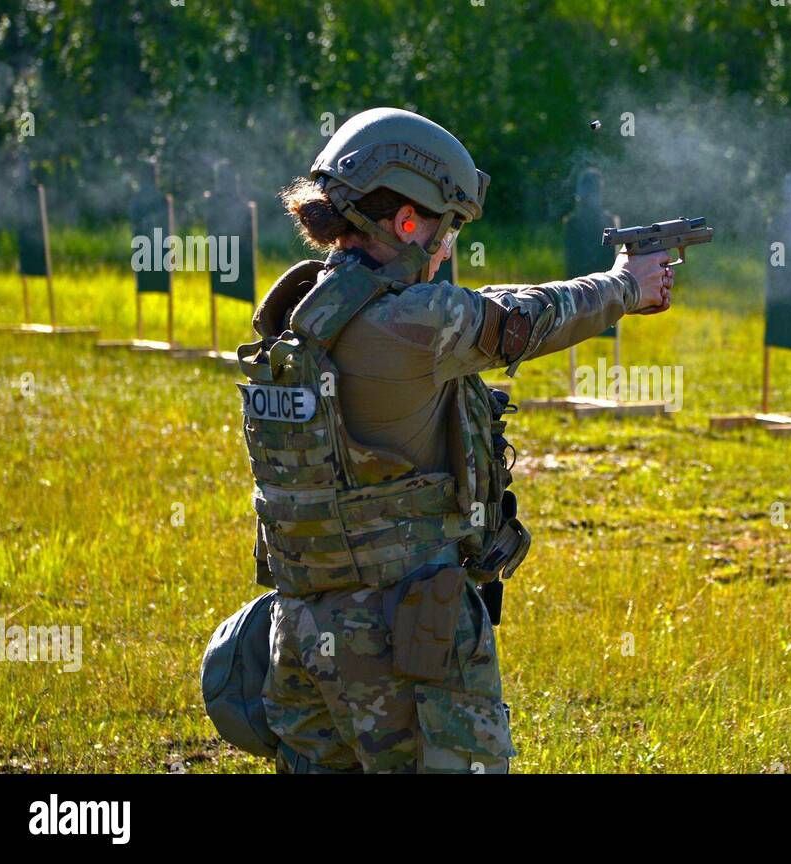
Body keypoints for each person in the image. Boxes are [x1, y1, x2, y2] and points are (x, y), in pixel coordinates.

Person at [239, 107, 672, 773]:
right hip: (401, 634)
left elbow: (481, 307)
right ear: (407, 221)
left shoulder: (299, 317)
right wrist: (625, 287)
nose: (446, 247)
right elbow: (525, 319)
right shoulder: (414, 322)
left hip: (299, 634)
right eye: (445, 227)